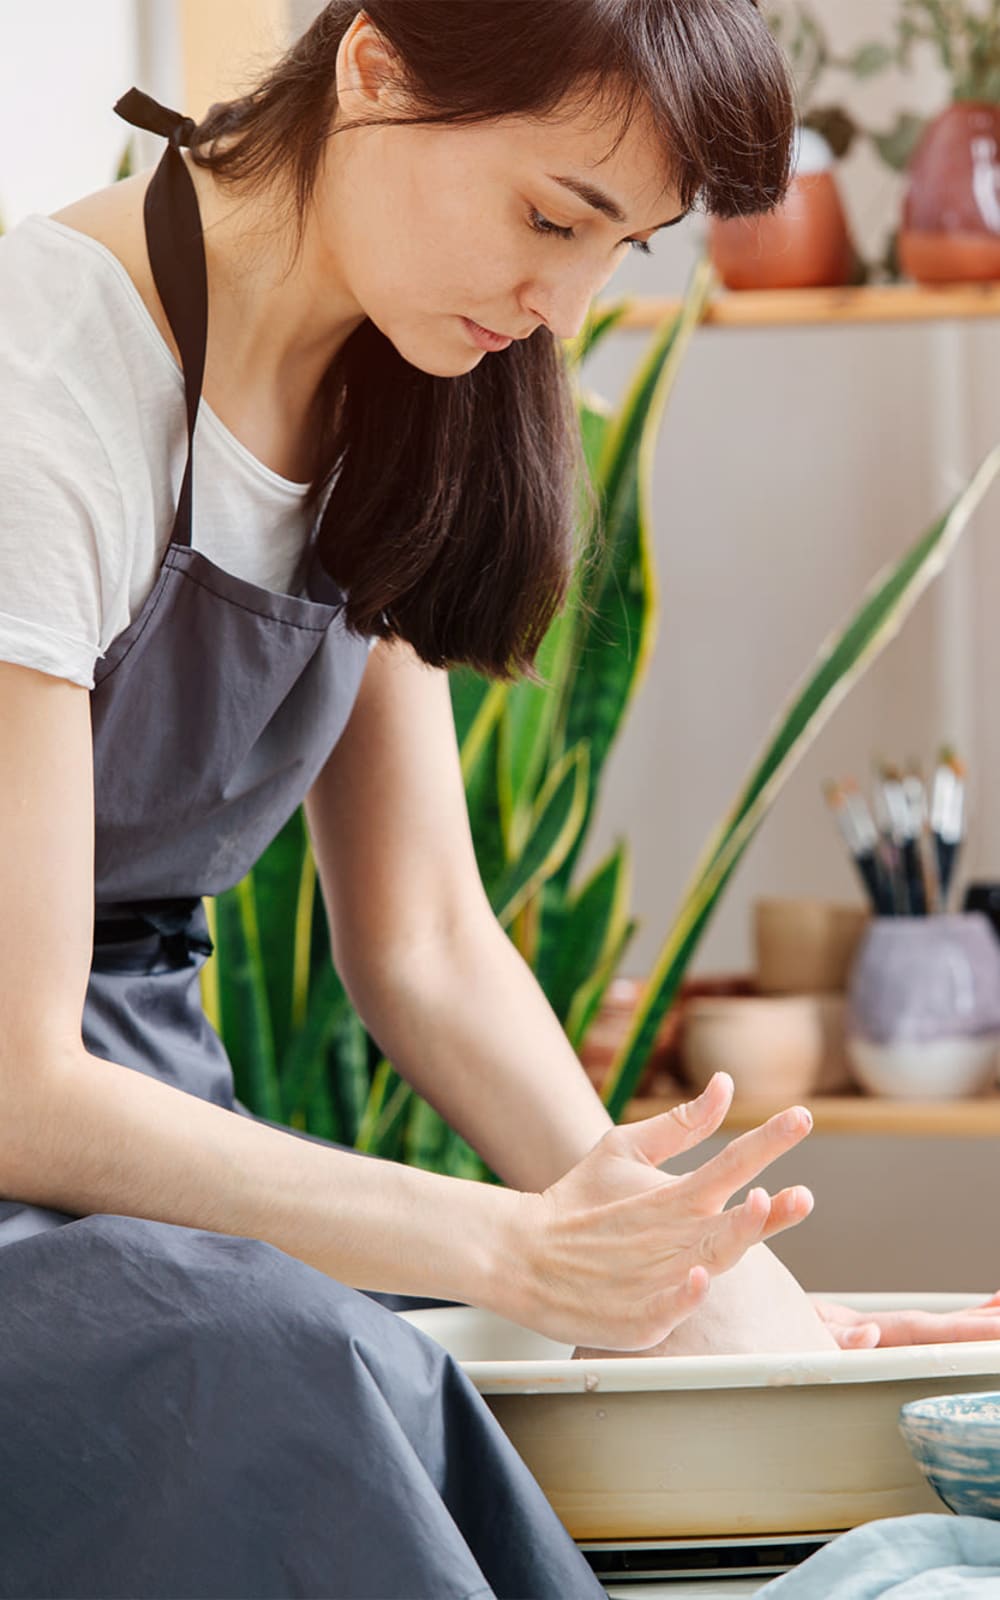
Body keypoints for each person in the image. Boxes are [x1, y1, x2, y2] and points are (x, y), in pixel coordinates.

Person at [0, 4, 996, 1596]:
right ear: (374, 65)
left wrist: (703, 1288)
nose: (564, 305)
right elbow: (19, 1082)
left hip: (143, 1184)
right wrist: (507, 1246)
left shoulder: (394, 382)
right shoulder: (40, 379)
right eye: (552, 218)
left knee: (458, 1370)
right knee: (296, 1366)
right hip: (40, 1154)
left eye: (627, 249)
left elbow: (430, 950)